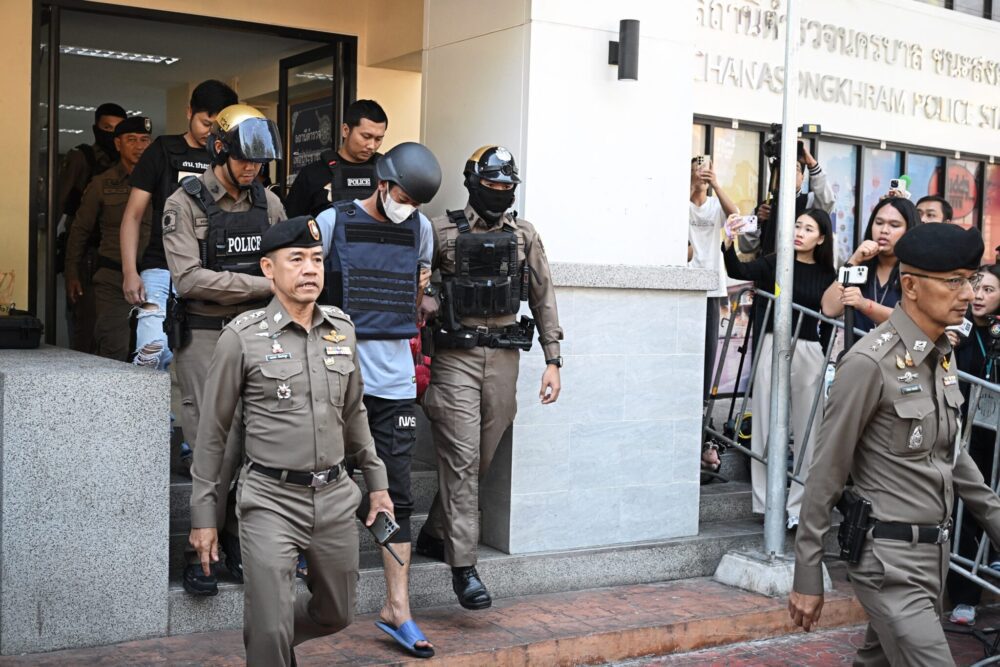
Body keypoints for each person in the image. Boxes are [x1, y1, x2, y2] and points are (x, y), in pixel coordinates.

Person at [789, 223, 1000, 666]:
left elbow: (952, 455)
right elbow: (826, 470)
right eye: (955, 281)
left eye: (972, 279)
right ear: (911, 285)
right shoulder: (868, 363)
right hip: (887, 563)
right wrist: (808, 571)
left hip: (932, 558)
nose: (968, 293)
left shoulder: (940, 355)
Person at [188, 216, 392, 667]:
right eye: (296, 259)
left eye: (317, 260)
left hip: (337, 496)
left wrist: (377, 484)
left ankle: (270, 636)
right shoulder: (242, 337)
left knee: (337, 613)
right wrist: (205, 514)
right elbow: (213, 434)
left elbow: (355, 413)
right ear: (268, 268)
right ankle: (268, 641)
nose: (310, 269)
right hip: (269, 499)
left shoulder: (342, 329)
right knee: (269, 629)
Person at [415, 145, 563, 610]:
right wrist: (424, 299)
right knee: (462, 458)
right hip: (455, 357)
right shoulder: (438, 231)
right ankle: (465, 568)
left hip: (504, 359)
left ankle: (436, 533)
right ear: (473, 184)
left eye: (507, 187)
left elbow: (543, 294)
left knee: (480, 457)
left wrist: (554, 359)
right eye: (492, 186)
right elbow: (411, 285)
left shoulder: (525, 235)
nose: (499, 194)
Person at [314, 141, 440, 658]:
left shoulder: (422, 229)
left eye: (416, 201)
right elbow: (300, 284)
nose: (406, 207)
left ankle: (397, 608)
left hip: (392, 385)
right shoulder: (330, 221)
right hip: (332, 378)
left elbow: (421, 291)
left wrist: (424, 299)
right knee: (319, 479)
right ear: (381, 183)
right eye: (403, 196)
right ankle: (311, 575)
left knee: (398, 495)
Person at [163, 104, 286, 596]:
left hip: (257, 335)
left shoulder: (269, 202)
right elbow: (189, 279)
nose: (252, 169)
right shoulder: (185, 201)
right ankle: (200, 554)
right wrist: (261, 286)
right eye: (243, 160)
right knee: (211, 448)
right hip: (206, 337)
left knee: (255, 444)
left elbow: (285, 260)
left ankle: (234, 543)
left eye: (259, 162)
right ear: (219, 150)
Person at [722, 209, 837, 529]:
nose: (800, 232)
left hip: (809, 350)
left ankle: (798, 508)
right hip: (772, 344)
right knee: (764, 425)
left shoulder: (829, 273)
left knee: (807, 432)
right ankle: (764, 504)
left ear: (822, 238)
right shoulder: (776, 261)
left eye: (808, 228)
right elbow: (737, 269)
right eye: (797, 225)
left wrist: (827, 358)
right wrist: (728, 241)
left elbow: (828, 320)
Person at [120, 79, 238, 371]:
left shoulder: (232, 159)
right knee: (152, 343)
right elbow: (133, 215)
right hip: (162, 265)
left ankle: (169, 411)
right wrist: (129, 272)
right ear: (189, 113)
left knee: (201, 358)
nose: (209, 133)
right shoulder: (163, 150)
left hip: (211, 271)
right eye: (204, 123)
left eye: (217, 126)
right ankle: (148, 383)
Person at [64, 116, 153, 361]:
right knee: (115, 347)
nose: (139, 146)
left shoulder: (162, 182)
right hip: (113, 281)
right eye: (131, 140)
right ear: (117, 144)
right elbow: (79, 230)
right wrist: (72, 273)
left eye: (145, 140)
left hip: (153, 280)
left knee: (152, 352)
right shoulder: (102, 184)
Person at [945, 263, 1000, 626]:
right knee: (965, 512)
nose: (978, 296)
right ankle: (963, 595)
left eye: (989, 290)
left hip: (995, 434)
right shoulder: (954, 330)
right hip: (964, 434)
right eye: (975, 287)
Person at [58, 102, 129, 353]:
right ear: (95, 129)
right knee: (85, 332)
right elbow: (63, 211)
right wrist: (71, 273)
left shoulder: (133, 167)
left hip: (119, 261)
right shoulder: (82, 157)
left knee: (117, 337)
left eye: (118, 129)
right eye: (106, 128)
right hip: (88, 259)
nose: (112, 134)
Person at [821, 197, 921, 336]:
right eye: (879, 223)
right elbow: (829, 309)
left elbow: (915, 322)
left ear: (909, 229)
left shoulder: (918, 271)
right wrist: (854, 260)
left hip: (898, 356)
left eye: (894, 225)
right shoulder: (860, 265)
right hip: (858, 355)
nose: (884, 230)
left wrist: (865, 305)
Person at [284, 99, 387, 218]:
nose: (371, 145)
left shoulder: (388, 173)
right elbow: (291, 227)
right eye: (366, 136)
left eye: (378, 139)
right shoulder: (313, 174)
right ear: (345, 130)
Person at [689, 157, 739, 400]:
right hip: (686, 284)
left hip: (711, 284)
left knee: (709, 349)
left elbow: (735, 214)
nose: (701, 173)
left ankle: (703, 401)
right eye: (696, 168)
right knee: (686, 344)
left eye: (705, 169)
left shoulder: (714, 205)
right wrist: (690, 184)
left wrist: (717, 185)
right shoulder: (683, 204)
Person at [744, 142, 835, 257]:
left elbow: (827, 202)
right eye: (783, 169)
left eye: (795, 168)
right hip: (767, 270)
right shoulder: (763, 207)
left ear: (802, 177)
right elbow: (745, 247)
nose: (788, 173)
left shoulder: (810, 201)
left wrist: (812, 164)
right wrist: (756, 221)